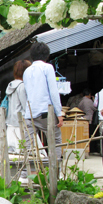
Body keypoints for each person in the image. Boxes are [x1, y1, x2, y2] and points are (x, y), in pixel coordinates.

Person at [20, 42, 63, 182]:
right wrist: (59, 113)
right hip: (45, 112)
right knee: (55, 140)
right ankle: (54, 171)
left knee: (29, 144)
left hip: (30, 112)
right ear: (47, 55)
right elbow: (53, 92)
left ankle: (25, 174)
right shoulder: (47, 68)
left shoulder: (27, 71)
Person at [4, 59, 31, 154]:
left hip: (11, 123)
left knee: (11, 153)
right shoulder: (22, 86)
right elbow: (26, 106)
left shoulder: (11, 85)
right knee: (24, 152)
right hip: (21, 123)